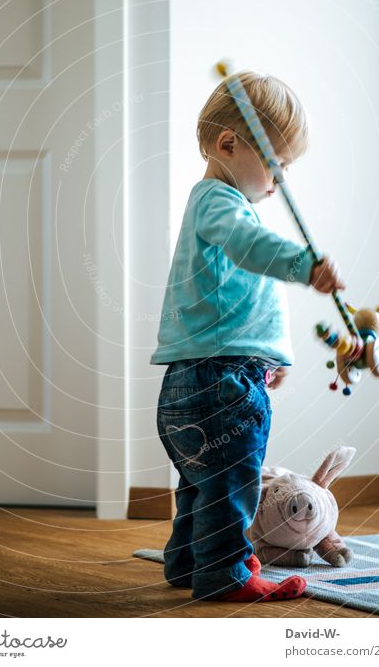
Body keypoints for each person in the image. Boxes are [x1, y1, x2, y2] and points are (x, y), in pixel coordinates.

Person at [150, 70, 346, 602]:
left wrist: (265, 359)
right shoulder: (222, 206)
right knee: (234, 482)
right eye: (277, 164)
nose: (280, 180)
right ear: (228, 144)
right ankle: (226, 574)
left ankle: (188, 561)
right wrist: (303, 264)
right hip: (219, 382)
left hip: (198, 379)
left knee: (202, 482)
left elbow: (241, 301)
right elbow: (250, 246)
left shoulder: (213, 206)